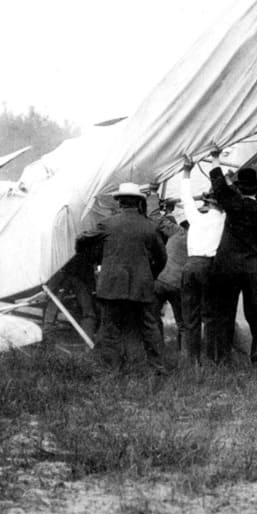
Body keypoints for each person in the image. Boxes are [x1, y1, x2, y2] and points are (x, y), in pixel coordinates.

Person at [78, 182, 167, 372]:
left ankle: (113, 369)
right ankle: (158, 367)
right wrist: (150, 275)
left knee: (110, 328)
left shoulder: (108, 224)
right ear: (138, 203)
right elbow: (161, 258)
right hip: (141, 285)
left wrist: (92, 259)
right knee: (149, 327)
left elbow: (82, 239)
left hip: (111, 285)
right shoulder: (149, 226)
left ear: (119, 202)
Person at [208, 152, 257, 367]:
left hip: (227, 269)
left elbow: (219, 186)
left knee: (225, 314)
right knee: (256, 314)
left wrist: (215, 158)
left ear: (238, 188)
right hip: (255, 269)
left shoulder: (234, 205)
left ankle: (223, 360)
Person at [179, 158, 226, 364]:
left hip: (190, 266)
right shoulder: (223, 220)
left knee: (191, 316)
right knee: (210, 315)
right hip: (209, 266)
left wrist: (186, 172)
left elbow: (186, 197)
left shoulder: (195, 217)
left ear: (206, 203)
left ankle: (193, 360)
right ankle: (210, 358)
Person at [153, 215, 188, 350]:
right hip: (179, 285)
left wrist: (153, 197)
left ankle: (157, 349)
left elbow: (159, 219)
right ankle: (185, 356)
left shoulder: (178, 232)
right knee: (183, 324)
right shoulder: (201, 239)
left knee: (153, 318)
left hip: (161, 280)